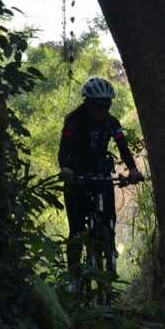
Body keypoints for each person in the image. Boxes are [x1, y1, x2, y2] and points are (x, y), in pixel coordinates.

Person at [57, 76, 144, 284]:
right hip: (76, 177)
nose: (102, 110)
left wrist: (132, 170)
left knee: (108, 217)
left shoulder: (112, 123)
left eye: (107, 105)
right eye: (98, 105)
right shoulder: (74, 120)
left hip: (100, 174)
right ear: (87, 102)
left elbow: (122, 147)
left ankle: (109, 249)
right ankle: (74, 279)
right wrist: (66, 169)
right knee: (77, 230)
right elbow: (63, 150)